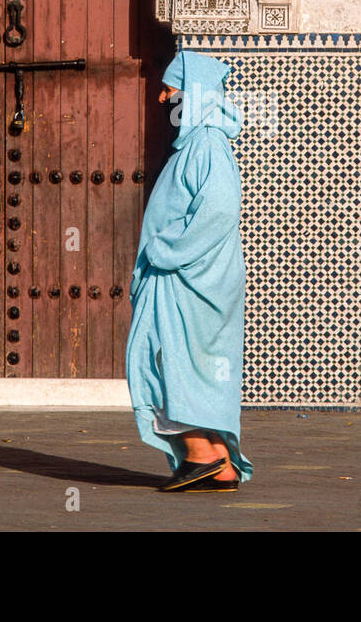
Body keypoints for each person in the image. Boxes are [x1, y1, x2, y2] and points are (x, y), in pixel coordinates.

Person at [125, 50, 253, 492]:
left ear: (193, 92)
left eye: (170, 88)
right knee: (180, 362)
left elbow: (219, 212)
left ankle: (200, 453)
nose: (162, 97)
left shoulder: (208, 145)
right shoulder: (197, 142)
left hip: (191, 281)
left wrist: (166, 253)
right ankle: (220, 463)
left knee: (163, 360)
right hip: (184, 278)